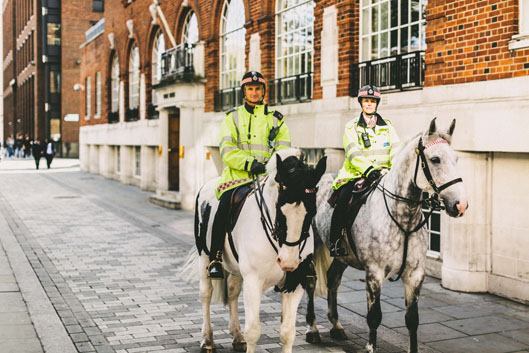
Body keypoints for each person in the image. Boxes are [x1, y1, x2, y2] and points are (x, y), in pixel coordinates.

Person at [207, 71, 292, 279]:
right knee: (224, 205)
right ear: (244, 92)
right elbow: (226, 149)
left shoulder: (276, 120)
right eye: (250, 89)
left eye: (258, 89)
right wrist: (248, 163)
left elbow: (284, 149)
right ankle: (216, 258)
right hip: (238, 178)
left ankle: (299, 256)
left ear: (263, 91)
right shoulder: (232, 117)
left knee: (294, 206)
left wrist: (270, 168)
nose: (254, 92)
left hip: (268, 178)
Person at [329, 85, 400, 257]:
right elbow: (354, 153)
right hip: (356, 174)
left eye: (373, 101)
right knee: (344, 199)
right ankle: (335, 240)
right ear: (361, 103)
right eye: (366, 101)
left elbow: (397, 149)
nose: (369, 104)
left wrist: (390, 168)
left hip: (384, 174)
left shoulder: (388, 127)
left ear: (377, 104)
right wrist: (369, 170)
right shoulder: (351, 127)